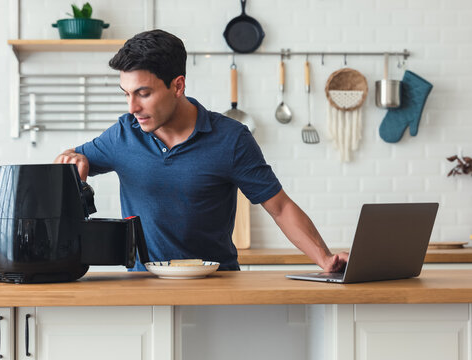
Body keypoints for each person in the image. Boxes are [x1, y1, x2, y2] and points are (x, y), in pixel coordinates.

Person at [55, 29, 348, 272]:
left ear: (178, 85)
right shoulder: (123, 134)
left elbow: (280, 207)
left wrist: (324, 258)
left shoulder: (231, 139)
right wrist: (73, 157)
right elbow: (69, 162)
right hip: (144, 288)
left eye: (143, 94)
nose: (132, 108)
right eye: (127, 94)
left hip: (217, 286)